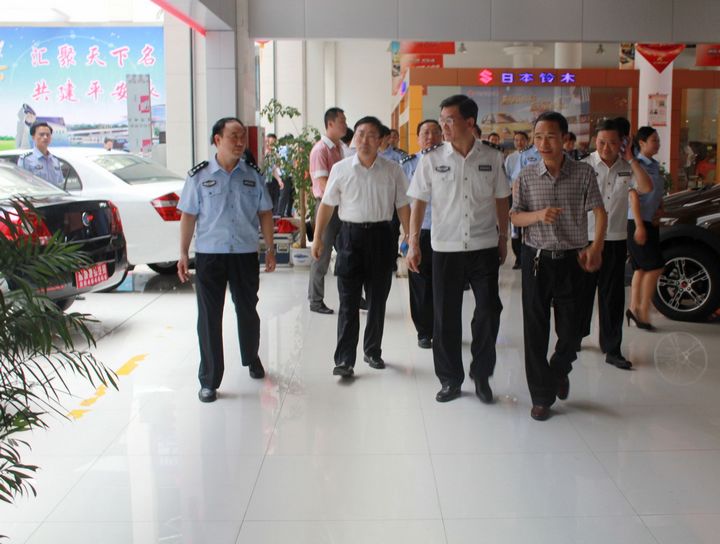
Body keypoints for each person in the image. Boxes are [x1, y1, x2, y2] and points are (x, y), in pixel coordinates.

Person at [407, 95, 510, 404]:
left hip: (483, 245)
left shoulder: (492, 157)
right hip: (445, 247)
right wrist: (413, 242)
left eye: (449, 120)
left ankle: (481, 373)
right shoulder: (431, 159)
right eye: (442, 120)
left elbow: (501, 199)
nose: (443, 126)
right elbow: (418, 202)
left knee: (489, 310)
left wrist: (503, 238)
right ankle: (450, 379)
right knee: (445, 315)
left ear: (469, 122)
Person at [510, 111, 607, 421]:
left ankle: (560, 367)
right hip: (536, 259)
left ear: (564, 139)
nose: (543, 143)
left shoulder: (583, 173)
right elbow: (515, 216)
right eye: (538, 137)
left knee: (573, 330)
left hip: (573, 260)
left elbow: (599, 211)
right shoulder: (526, 176)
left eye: (550, 136)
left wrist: (596, 247)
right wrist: (538, 215)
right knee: (535, 330)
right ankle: (541, 396)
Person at [177, 117, 276, 403]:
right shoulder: (199, 176)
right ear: (217, 140)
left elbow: (265, 213)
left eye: (242, 136)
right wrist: (183, 252)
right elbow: (188, 215)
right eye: (234, 136)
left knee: (248, 310)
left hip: (244, 254)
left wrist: (270, 248)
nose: (240, 142)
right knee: (209, 317)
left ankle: (251, 356)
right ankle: (209, 379)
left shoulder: (253, 175)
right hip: (210, 255)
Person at [312, 116, 410, 378]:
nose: (364, 139)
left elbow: (403, 205)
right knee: (348, 301)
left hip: (381, 237)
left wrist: (410, 237)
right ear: (354, 138)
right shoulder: (341, 169)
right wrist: (318, 237)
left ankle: (372, 351)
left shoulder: (393, 170)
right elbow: (327, 205)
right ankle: (345, 359)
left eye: (371, 135)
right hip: (350, 238)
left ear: (381, 140)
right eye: (360, 134)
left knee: (377, 301)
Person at [578, 118, 652, 370]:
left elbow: (646, 187)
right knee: (581, 293)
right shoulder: (583, 166)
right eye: (601, 142)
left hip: (615, 241)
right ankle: (575, 336)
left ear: (622, 142)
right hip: (586, 240)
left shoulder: (627, 167)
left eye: (612, 142)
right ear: (594, 141)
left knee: (613, 297)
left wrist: (631, 158)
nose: (605, 147)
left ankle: (612, 348)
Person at [401, 119, 443, 349]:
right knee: (420, 282)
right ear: (417, 138)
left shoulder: (452, 160)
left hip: (446, 231)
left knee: (444, 282)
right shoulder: (408, 165)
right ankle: (424, 331)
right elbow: (403, 203)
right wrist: (408, 234)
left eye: (435, 132)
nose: (430, 137)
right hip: (421, 230)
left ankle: (442, 329)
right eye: (425, 132)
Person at [307, 107, 348, 314]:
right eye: (342, 121)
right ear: (330, 124)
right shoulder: (320, 150)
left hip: (342, 206)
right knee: (321, 254)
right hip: (327, 206)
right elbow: (323, 184)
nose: (345, 124)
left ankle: (352, 297)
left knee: (347, 253)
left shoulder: (340, 147)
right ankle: (315, 301)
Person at [627, 126, 665, 330]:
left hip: (649, 222)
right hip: (637, 222)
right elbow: (633, 195)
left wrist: (660, 209)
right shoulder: (637, 165)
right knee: (655, 266)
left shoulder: (655, 165)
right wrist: (639, 225)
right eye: (653, 140)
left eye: (658, 140)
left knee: (641, 269)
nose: (657, 144)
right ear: (641, 143)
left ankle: (633, 309)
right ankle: (643, 309)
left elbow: (656, 193)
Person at [505, 131, 529, 269]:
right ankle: (518, 258)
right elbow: (506, 176)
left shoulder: (534, 156)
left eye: (522, 139)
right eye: (516, 140)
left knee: (529, 224)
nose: (519, 142)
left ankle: (528, 256)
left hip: (530, 195)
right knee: (515, 227)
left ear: (527, 141)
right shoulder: (510, 158)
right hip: (514, 194)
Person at [17, 122, 64, 188]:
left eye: (48, 135)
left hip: (55, 194)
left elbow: (60, 183)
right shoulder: (26, 159)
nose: (45, 137)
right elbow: (22, 184)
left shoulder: (55, 160)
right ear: (33, 137)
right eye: (41, 134)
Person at [262, 133, 283, 215]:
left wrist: (279, 180)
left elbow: (275, 167)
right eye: (267, 142)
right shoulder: (265, 153)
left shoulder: (274, 153)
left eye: (274, 142)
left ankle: (274, 217)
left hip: (274, 179)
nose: (269, 144)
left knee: (275, 200)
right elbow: (272, 168)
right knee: (269, 202)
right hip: (267, 180)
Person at [276, 136, 295, 217]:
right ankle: (280, 213)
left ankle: (287, 212)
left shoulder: (289, 149)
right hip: (285, 175)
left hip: (289, 175)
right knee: (284, 195)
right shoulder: (284, 149)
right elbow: (282, 163)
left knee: (291, 195)